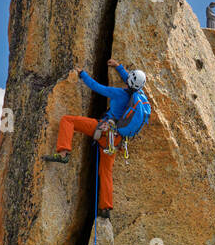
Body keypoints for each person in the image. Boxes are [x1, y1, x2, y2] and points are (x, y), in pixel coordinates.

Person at [43, 58, 148, 221]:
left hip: (103, 129)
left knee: (67, 120)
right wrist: (119, 68)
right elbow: (130, 81)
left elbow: (96, 87)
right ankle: (105, 207)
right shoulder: (139, 96)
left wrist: (82, 74)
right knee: (105, 172)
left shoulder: (118, 93)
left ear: (129, 81)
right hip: (115, 140)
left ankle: (63, 153)